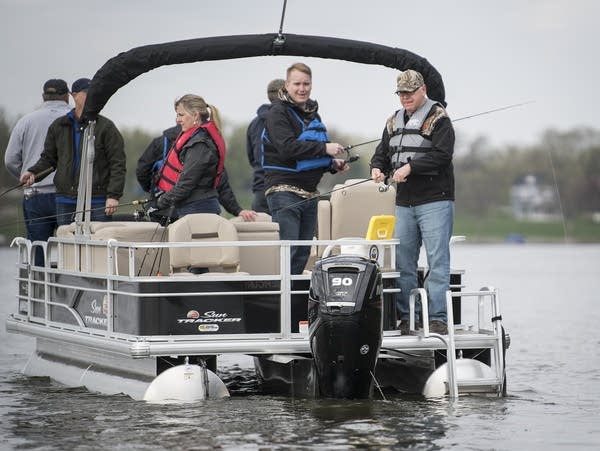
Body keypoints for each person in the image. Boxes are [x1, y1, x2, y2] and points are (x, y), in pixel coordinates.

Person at [370, 69, 455, 335]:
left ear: (423, 90)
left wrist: (410, 168)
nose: (405, 97)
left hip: (435, 201)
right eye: (402, 93)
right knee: (404, 263)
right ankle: (408, 318)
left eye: (410, 92)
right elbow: (381, 153)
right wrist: (376, 168)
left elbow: (443, 155)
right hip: (404, 203)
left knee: (437, 261)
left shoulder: (439, 119)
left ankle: (438, 318)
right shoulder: (392, 121)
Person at [262, 62, 348, 274]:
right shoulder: (277, 113)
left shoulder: (312, 114)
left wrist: (331, 164)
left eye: (306, 84)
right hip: (284, 193)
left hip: (309, 195)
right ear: (287, 85)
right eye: (297, 84)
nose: (302, 89)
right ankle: (281, 305)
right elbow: (287, 148)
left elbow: (310, 154)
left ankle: (295, 305)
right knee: (289, 253)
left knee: (302, 255)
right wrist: (325, 148)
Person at [20, 78, 126, 226]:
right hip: (65, 200)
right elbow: (48, 159)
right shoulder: (58, 126)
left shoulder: (107, 127)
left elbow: (118, 164)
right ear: (74, 95)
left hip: (98, 201)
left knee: (99, 244)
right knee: (66, 243)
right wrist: (32, 173)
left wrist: (113, 196)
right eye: (87, 93)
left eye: (95, 93)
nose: (92, 96)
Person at [4, 79, 71, 265]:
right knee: (72, 250)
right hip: (68, 196)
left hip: (35, 196)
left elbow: (10, 160)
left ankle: (40, 289)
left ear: (43, 96)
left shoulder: (25, 121)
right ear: (67, 96)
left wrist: (28, 177)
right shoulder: (74, 119)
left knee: (37, 252)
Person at [136, 124, 256, 222]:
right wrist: (237, 210)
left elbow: (142, 172)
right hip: (189, 211)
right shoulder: (208, 144)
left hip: (163, 210)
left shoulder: (160, 142)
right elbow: (221, 184)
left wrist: (155, 197)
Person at [154, 94, 235, 220]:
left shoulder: (199, 144)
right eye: (177, 115)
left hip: (198, 209)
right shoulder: (199, 140)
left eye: (181, 115)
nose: (177, 120)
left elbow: (186, 183)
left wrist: (160, 202)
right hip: (194, 208)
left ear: (196, 116)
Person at [245, 78, 285, 214]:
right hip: (285, 190)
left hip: (260, 190)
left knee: (263, 234)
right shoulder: (291, 121)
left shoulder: (254, 124)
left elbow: (251, 157)